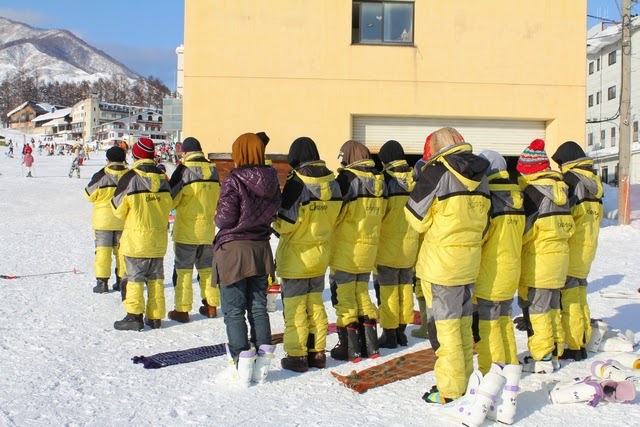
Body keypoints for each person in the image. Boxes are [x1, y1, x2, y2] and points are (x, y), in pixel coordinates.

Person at [405, 127, 490, 404]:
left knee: (447, 330)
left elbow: (416, 217)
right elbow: (486, 223)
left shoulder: (436, 172)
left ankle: (451, 391)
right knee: (463, 325)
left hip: (441, 266)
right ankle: (464, 381)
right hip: (469, 262)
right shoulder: (481, 174)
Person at [213, 132, 281, 386]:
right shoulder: (273, 177)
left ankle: (239, 369)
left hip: (234, 250)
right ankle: (261, 368)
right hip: (261, 247)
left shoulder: (234, 179)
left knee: (233, 310)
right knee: (258, 307)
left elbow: (225, 219)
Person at [274, 137, 342, 372]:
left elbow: (285, 221)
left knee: (295, 309)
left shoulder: (297, 182)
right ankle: (318, 352)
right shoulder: (333, 182)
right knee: (315, 305)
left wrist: (275, 225)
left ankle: (297, 355)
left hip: (296, 256)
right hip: (320, 254)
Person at [516, 139, 574, 373]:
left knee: (537, 309)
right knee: (552, 307)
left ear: (529, 170)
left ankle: (542, 357)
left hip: (539, 260)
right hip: (559, 260)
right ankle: (556, 349)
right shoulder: (562, 190)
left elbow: (526, 231)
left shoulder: (533, 193)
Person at [329, 140, 386, 362]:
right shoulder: (379, 181)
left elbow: (336, 213)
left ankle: (350, 348)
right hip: (368, 250)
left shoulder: (346, 179)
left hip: (346, 249)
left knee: (344, 298)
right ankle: (371, 347)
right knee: (362, 293)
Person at [111, 137, 173, 331]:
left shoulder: (130, 177)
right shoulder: (163, 178)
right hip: (158, 238)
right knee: (155, 278)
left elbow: (117, 208)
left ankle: (134, 315)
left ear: (136, 154)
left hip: (136, 239)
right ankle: (155, 317)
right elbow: (170, 204)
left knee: (135, 278)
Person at [473, 150, 525, 374]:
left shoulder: (490, 198)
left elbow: (480, 235)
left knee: (489, 323)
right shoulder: (518, 196)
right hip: (512, 269)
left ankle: (491, 369)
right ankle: (510, 363)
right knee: (504, 319)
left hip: (490, 272)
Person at [551, 141, 603, 361]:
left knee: (570, 298)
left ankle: (573, 345)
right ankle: (582, 338)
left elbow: (564, 215)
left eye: (561, 163)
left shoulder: (572, 181)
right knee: (580, 295)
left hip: (572, 249)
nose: (560, 167)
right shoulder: (594, 181)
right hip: (587, 248)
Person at [167, 137, 221, 323]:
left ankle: (182, 310)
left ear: (186, 152)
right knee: (207, 270)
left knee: (183, 271)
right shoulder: (213, 170)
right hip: (208, 229)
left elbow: (171, 199)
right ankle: (211, 305)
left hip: (187, 230)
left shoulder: (183, 170)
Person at [374, 140, 419, 349]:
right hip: (410, 247)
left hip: (387, 246)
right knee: (405, 289)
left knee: (389, 290)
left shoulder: (385, 180)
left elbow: (380, 214)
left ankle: (389, 334)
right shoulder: (416, 179)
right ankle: (402, 331)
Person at [84, 147, 129, 293]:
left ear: (108, 159)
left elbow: (89, 195)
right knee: (121, 252)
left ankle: (102, 282)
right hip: (123, 219)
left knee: (102, 251)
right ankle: (122, 280)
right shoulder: (129, 175)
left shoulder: (101, 175)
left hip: (103, 220)